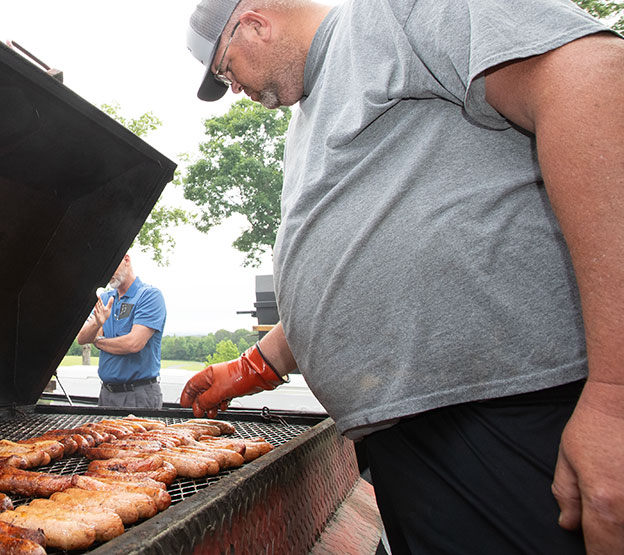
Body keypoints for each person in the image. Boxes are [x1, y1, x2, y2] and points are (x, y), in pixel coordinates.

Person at [178, 0, 624, 553]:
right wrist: (257, 366)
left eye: (226, 70)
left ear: (255, 23)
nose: (235, 88)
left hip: (504, 414)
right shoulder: (306, 122)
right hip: (411, 445)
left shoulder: (392, 12)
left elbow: (587, 75)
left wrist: (615, 393)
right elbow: (361, 271)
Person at [76, 253, 166, 409]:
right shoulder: (105, 299)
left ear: (126, 259)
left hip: (139, 395)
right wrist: (97, 324)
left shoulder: (149, 296)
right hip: (106, 394)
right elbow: (82, 338)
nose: (108, 273)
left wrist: (98, 341)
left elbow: (133, 344)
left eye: (112, 266)